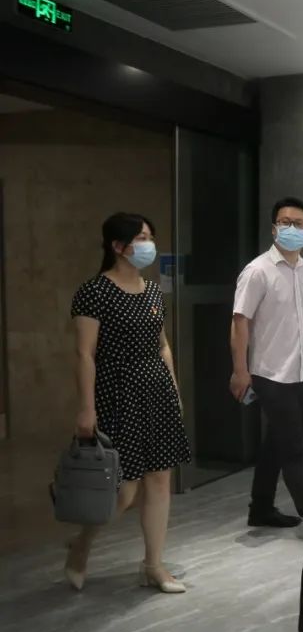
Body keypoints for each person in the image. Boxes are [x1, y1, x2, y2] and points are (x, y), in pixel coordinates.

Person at [65, 212, 191, 593]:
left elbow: (163, 345)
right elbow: (84, 354)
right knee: (123, 489)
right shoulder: (94, 292)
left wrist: (174, 390)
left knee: (160, 480)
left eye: (150, 236)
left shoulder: (151, 291)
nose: (148, 244)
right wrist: (86, 408)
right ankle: (81, 545)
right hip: (117, 394)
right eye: (140, 238)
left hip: (156, 392)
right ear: (117, 246)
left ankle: (154, 565)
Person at [230, 197, 303, 527]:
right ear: (274, 229)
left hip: (299, 372)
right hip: (270, 374)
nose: (292, 228)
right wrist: (240, 370)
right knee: (293, 448)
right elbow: (240, 321)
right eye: (286, 222)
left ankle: (261, 508)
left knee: (275, 442)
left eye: (299, 224)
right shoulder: (257, 271)